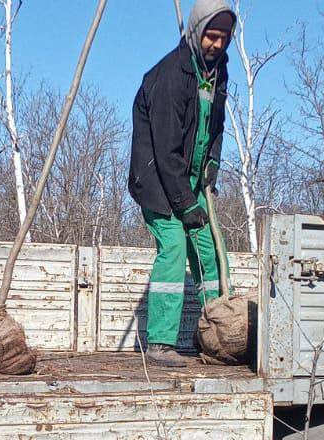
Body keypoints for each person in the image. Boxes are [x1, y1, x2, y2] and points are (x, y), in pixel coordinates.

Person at [127, 0, 235, 367]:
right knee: (174, 247)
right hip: (158, 181)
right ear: (195, 31)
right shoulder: (170, 76)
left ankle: (222, 337)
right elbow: (166, 150)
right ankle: (158, 342)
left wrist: (213, 163)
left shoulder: (217, 73)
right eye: (211, 36)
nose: (217, 45)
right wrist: (186, 206)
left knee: (210, 253)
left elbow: (215, 128)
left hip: (190, 180)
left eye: (225, 38)